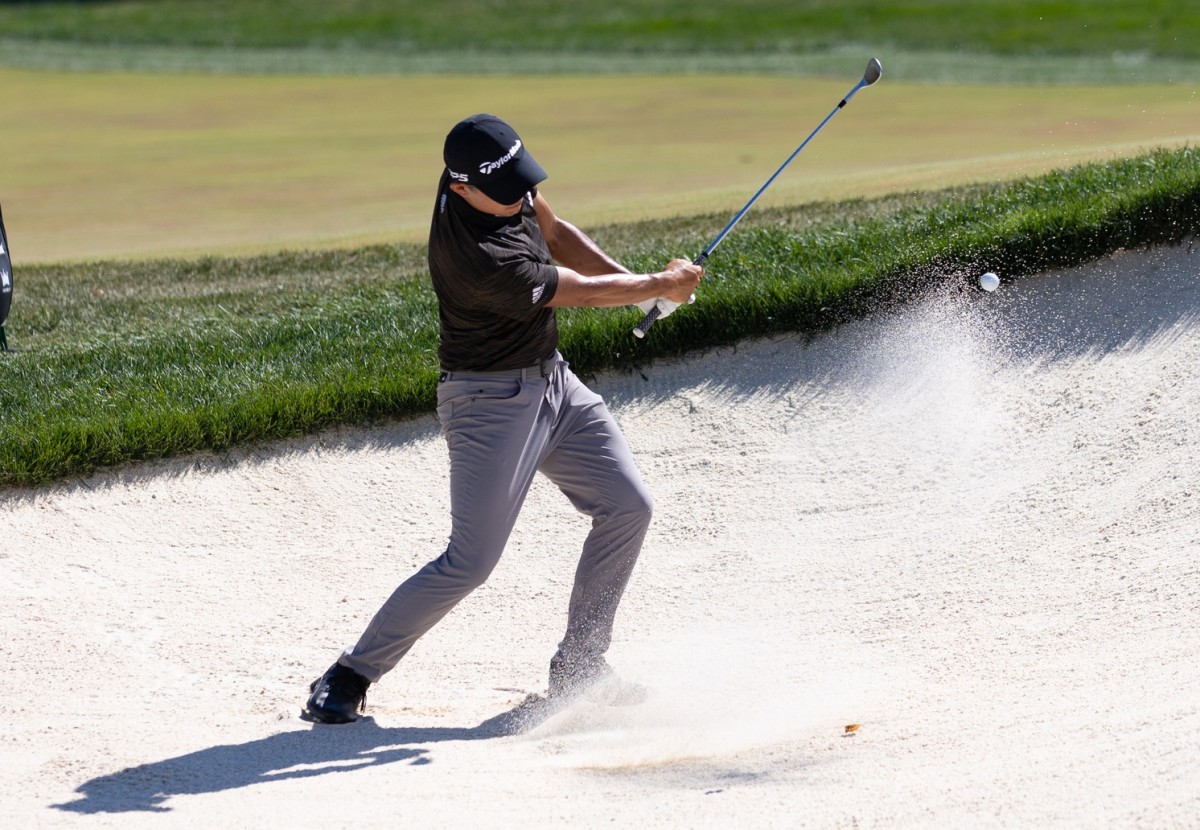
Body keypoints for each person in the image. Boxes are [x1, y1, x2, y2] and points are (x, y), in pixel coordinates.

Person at [305, 113, 703, 724]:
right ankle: (352, 671)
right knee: (470, 562)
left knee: (629, 507)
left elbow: (556, 230)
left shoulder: (492, 181)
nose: (519, 194)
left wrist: (645, 288)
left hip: (554, 383)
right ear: (460, 189)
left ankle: (581, 666)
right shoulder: (480, 260)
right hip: (487, 403)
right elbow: (582, 291)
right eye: (507, 188)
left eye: (522, 179)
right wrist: (657, 282)